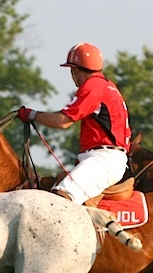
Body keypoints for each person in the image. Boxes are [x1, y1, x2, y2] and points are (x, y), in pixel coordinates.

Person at [17, 43, 131, 205]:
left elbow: (62, 121)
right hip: (106, 157)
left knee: (61, 197)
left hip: (103, 159)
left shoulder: (93, 86)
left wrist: (32, 114)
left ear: (76, 70)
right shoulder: (108, 85)